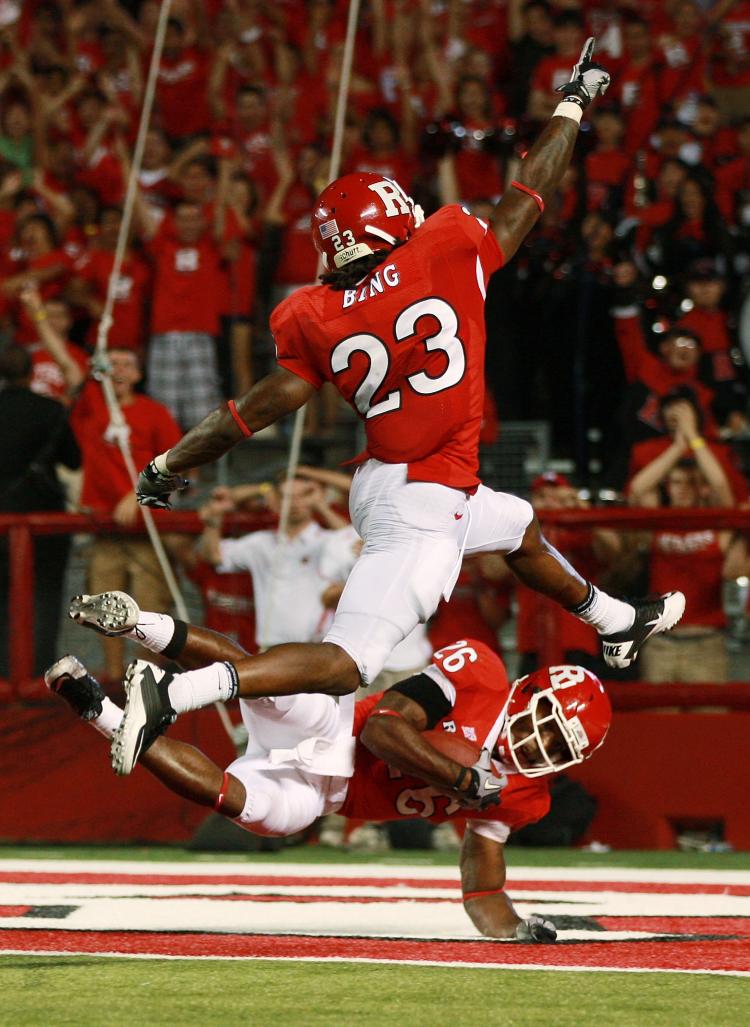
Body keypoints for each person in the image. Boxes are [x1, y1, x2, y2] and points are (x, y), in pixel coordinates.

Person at [118, 39, 684, 777]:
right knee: (348, 662)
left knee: (516, 526)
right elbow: (530, 194)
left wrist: (166, 463)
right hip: (424, 502)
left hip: (400, 484)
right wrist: (572, 102)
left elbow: (248, 412)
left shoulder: (313, 311)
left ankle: (614, 619)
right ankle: (175, 690)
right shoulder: (446, 246)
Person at [47, 596, 612, 943]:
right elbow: (383, 727)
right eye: (546, 723)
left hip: (327, 796)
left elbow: (482, 883)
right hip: (335, 727)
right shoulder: (481, 673)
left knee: (251, 809)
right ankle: (139, 629)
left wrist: (514, 929)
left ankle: (100, 709)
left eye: (558, 745)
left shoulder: (527, 795)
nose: (540, 745)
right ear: (527, 694)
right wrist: (463, 780)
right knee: (263, 683)